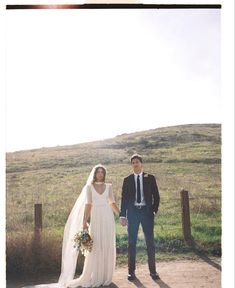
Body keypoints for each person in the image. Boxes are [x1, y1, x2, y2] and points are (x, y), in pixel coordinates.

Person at [22, 164, 120, 288]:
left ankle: (106, 276)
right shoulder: (89, 187)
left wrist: (121, 215)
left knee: (107, 244)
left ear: (104, 174)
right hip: (96, 218)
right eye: (98, 172)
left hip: (107, 217)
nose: (100, 174)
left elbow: (112, 203)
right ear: (95, 174)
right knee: (96, 246)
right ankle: (96, 276)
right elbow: (88, 205)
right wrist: (84, 221)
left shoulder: (109, 187)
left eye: (102, 172)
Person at [119, 154, 160, 281]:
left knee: (150, 242)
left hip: (147, 213)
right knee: (132, 243)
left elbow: (156, 196)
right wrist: (122, 215)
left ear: (141, 164)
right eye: (133, 162)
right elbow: (124, 199)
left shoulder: (150, 178)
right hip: (133, 214)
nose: (135, 164)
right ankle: (131, 272)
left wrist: (153, 210)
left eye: (137, 162)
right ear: (131, 165)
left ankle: (153, 271)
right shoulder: (127, 180)